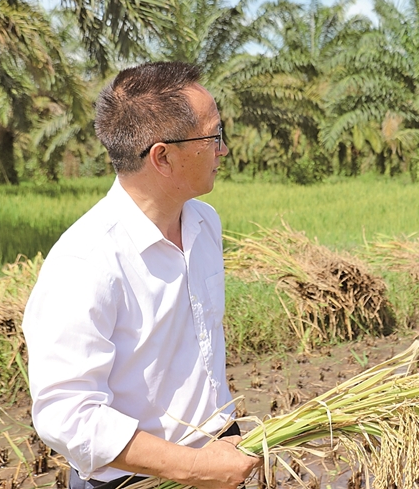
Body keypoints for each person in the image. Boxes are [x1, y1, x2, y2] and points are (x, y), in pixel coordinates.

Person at [22, 62, 261, 489]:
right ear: (162, 157)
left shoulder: (204, 223)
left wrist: (220, 444)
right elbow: (68, 415)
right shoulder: (85, 261)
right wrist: (192, 468)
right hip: (136, 479)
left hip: (217, 454)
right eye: (214, 136)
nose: (223, 150)